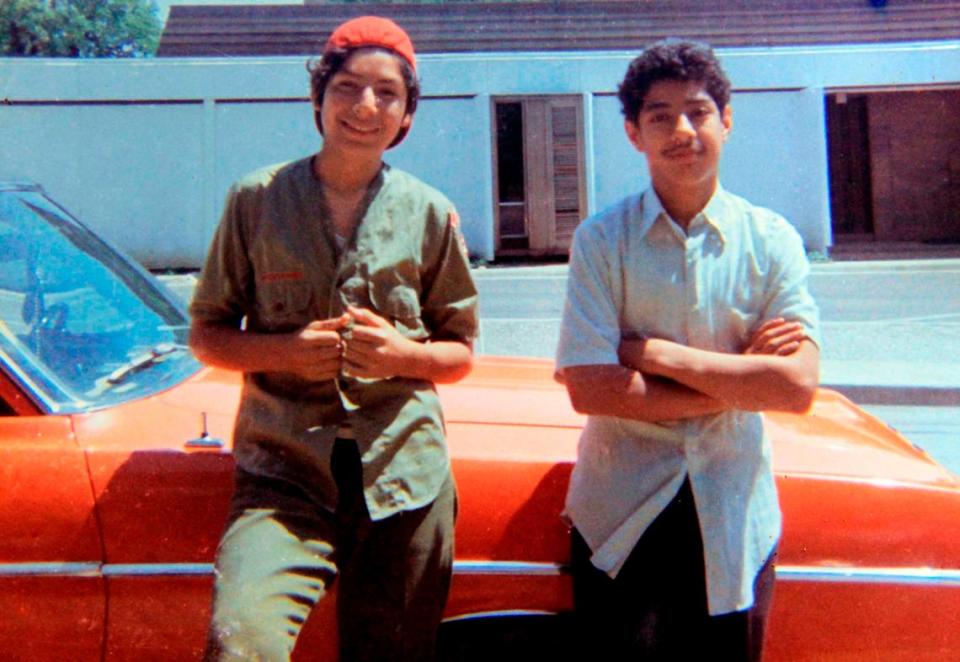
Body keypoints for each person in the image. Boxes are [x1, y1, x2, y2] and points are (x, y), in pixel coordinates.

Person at [188, 16, 478, 662]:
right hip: (285, 468)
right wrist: (282, 352)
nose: (365, 107)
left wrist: (405, 356)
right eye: (348, 87)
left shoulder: (430, 211)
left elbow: (458, 350)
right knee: (242, 644)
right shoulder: (255, 201)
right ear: (318, 95)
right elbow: (207, 334)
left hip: (404, 473)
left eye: (387, 93)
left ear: (406, 116)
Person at [555, 39, 820, 660]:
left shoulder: (772, 240)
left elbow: (797, 389)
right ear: (632, 133)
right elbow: (591, 388)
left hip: (733, 517)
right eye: (659, 115)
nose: (681, 130)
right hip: (619, 518)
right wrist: (738, 380)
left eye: (698, 112)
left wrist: (654, 356)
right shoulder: (601, 240)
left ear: (726, 121)